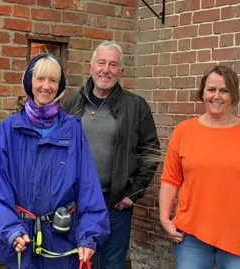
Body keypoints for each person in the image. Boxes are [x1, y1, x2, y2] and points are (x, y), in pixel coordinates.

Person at [0, 53, 110, 269]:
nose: (46, 86)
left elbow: (88, 187)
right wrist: (10, 229)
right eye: (40, 79)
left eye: (53, 80)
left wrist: (89, 234)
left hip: (62, 242)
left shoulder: (73, 129)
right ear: (29, 83)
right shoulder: (9, 129)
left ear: (59, 86)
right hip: (21, 241)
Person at [159, 65, 240, 269]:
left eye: (224, 90)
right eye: (211, 89)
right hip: (191, 234)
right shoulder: (184, 131)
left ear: (233, 95)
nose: (217, 96)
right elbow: (170, 179)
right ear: (202, 93)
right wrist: (164, 218)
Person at [62, 40, 160, 269]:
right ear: (91, 67)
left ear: (121, 71)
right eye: (102, 63)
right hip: (77, 202)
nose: (106, 70)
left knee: (112, 263)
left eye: (113, 65)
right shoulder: (72, 104)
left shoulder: (136, 106)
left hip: (114, 203)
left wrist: (132, 193)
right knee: (76, 260)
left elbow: (151, 152)